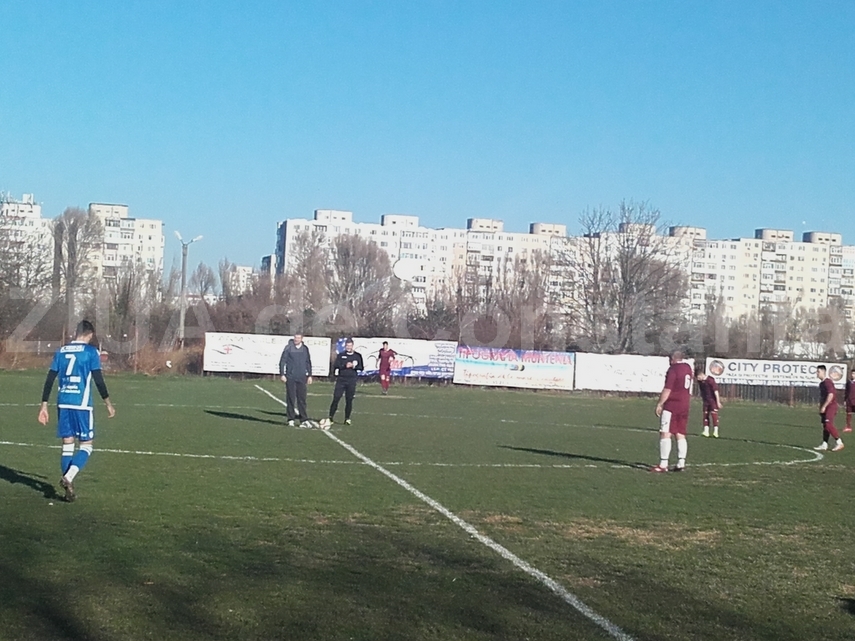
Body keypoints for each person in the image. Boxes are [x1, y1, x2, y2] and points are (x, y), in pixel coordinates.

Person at [38, 320, 115, 502]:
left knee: (67, 444)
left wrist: (43, 405)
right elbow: (98, 379)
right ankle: (69, 477)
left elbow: (50, 379)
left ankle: (68, 488)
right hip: (81, 403)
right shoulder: (90, 352)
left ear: (75, 333)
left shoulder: (61, 351)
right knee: (87, 445)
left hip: (63, 402)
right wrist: (108, 403)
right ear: (90, 334)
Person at [652, 350, 693, 473]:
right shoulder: (687, 367)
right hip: (685, 404)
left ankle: (663, 464)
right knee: (680, 433)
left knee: (666, 433)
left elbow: (668, 388)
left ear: (673, 359)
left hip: (672, 405)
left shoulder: (673, 369)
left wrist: (660, 403)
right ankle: (681, 463)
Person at [279, 333, 313, 427]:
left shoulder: (305, 349)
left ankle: (303, 419)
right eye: (295, 337)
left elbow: (308, 362)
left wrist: (309, 375)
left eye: (298, 338)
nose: (296, 339)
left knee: (302, 399)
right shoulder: (288, 348)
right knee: (291, 398)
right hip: (290, 377)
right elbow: (282, 361)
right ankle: (290, 419)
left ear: (302, 339)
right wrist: (282, 374)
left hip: (302, 377)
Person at [329, 338, 364, 425]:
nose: (348, 347)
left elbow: (361, 367)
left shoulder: (357, 356)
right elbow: (336, 365)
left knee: (349, 400)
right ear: (345, 346)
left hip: (351, 380)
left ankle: (347, 418)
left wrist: (353, 366)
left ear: (352, 346)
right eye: (347, 346)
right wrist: (345, 365)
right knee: (336, 398)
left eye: (350, 346)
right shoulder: (341, 355)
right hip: (341, 380)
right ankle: (330, 417)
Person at [814, 364, 844, 452]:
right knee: (825, 426)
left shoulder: (828, 382)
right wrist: (821, 407)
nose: (817, 373)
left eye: (818, 372)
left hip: (831, 406)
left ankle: (839, 442)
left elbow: (831, 395)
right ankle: (824, 444)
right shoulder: (821, 384)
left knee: (828, 424)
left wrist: (824, 406)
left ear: (823, 372)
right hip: (826, 407)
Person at [696, 368, 722, 438]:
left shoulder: (710, 380)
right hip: (706, 401)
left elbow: (715, 391)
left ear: (701, 375)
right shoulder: (701, 382)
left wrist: (718, 402)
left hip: (712, 401)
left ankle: (715, 432)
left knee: (714, 416)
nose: (698, 379)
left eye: (698, 377)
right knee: (705, 415)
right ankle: (706, 431)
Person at [845, 368, 855, 433]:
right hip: (849, 400)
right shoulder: (848, 382)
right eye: (852, 373)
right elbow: (846, 391)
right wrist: (845, 399)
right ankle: (848, 427)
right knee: (848, 414)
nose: (852, 375)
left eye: (854, 374)